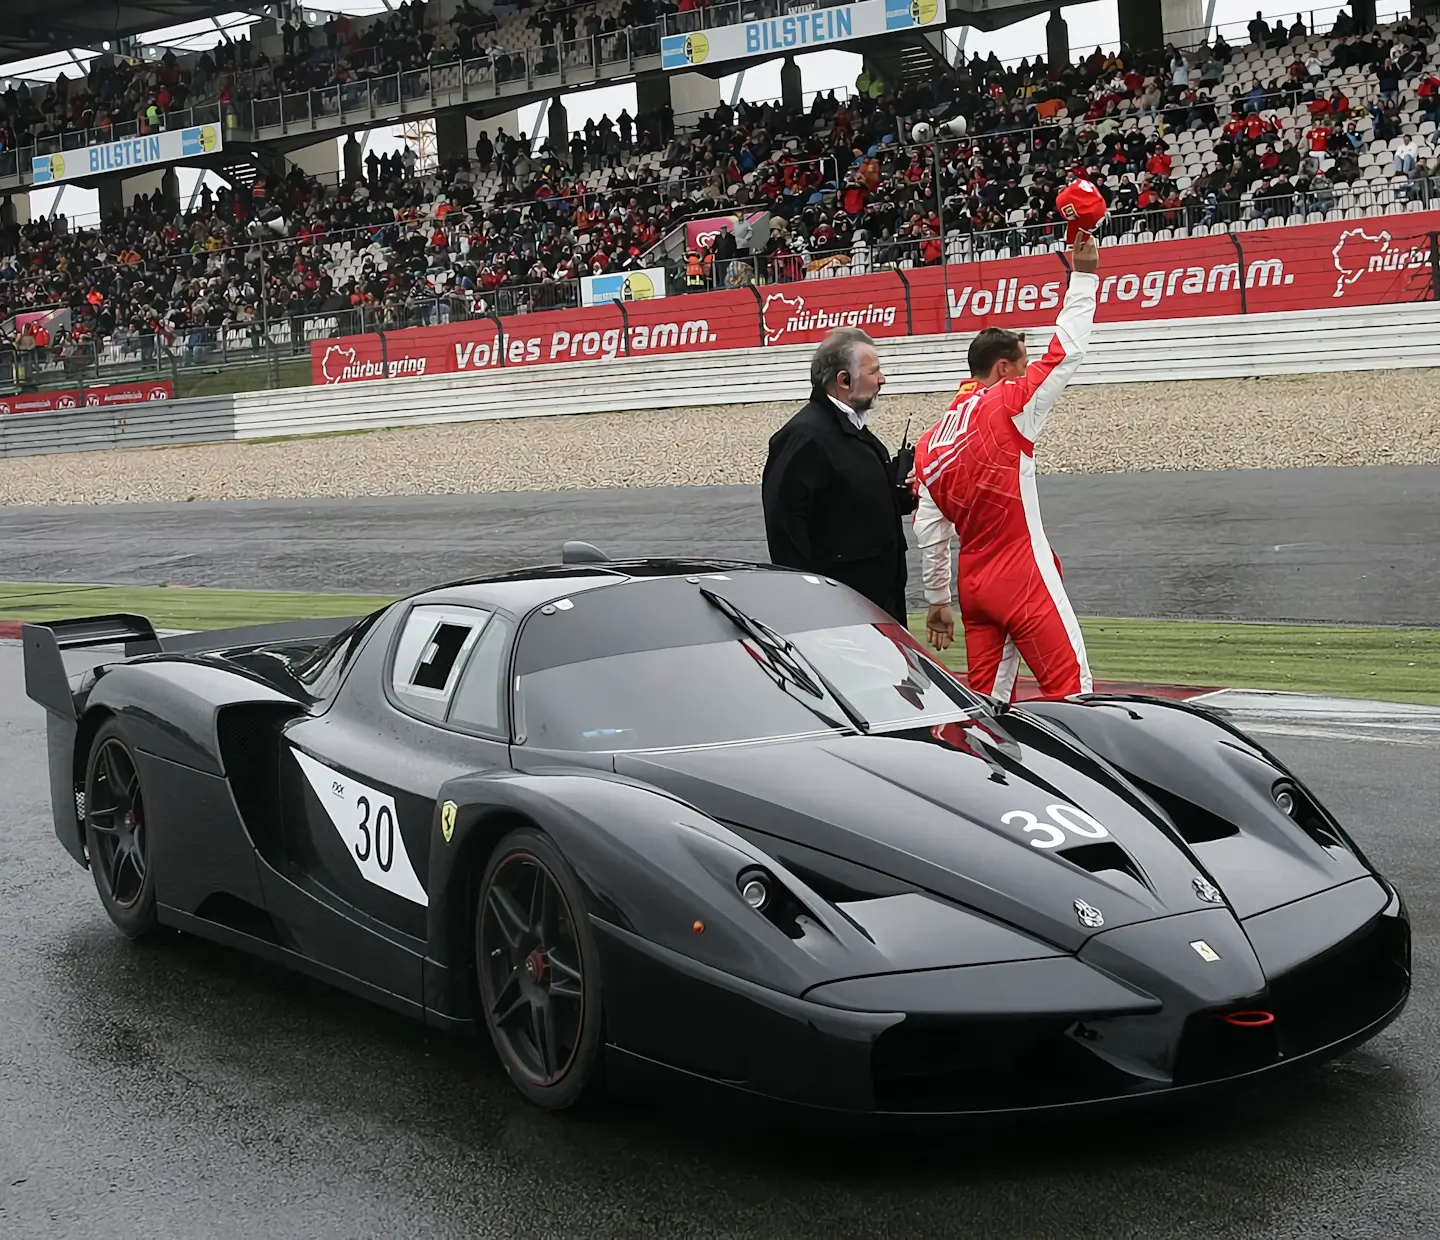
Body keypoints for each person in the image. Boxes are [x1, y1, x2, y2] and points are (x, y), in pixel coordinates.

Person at [911, 235, 1101, 700]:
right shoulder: (1009, 402)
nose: (1027, 371)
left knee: (987, 707)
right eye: (1022, 365)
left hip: (974, 586)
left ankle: (984, 772)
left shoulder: (929, 441)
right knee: (1073, 691)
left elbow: (929, 532)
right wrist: (1084, 275)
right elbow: (1067, 351)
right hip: (1021, 573)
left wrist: (938, 601)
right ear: (1001, 371)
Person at [762, 327, 915, 622]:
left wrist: (901, 492)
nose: (882, 379)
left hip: (880, 602)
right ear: (844, 380)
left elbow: (856, 503)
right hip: (840, 609)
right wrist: (812, 605)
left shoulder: (856, 432)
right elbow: (786, 531)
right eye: (875, 371)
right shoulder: (804, 437)